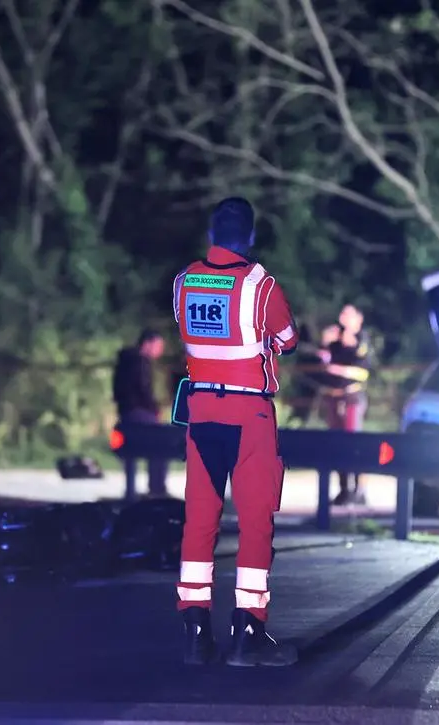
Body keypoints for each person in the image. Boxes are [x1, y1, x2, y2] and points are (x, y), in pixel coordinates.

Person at [172, 196, 299, 667]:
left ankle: (195, 632)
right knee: (254, 523)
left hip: (201, 413)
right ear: (249, 236)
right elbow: (286, 339)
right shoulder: (260, 285)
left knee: (200, 522)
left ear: (210, 233)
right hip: (250, 417)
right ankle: (248, 631)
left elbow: (190, 331)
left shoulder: (184, 280)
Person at [317, 304, 372, 505]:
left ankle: (360, 490)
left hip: (352, 397)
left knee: (354, 442)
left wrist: (338, 369)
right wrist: (324, 345)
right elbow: (324, 363)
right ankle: (343, 490)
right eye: (342, 313)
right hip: (333, 396)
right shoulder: (335, 337)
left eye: (349, 314)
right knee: (336, 443)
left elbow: (362, 372)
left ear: (359, 319)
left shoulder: (362, 339)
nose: (344, 317)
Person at [112, 329, 169, 497]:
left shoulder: (124, 361)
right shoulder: (141, 362)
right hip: (140, 412)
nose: (160, 351)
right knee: (162, 442)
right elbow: (143, 389)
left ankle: (130, 490)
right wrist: (155, 409)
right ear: (148, 344)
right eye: (159, 346)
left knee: (132, 448)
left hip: (125, 412)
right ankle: (157, 488)